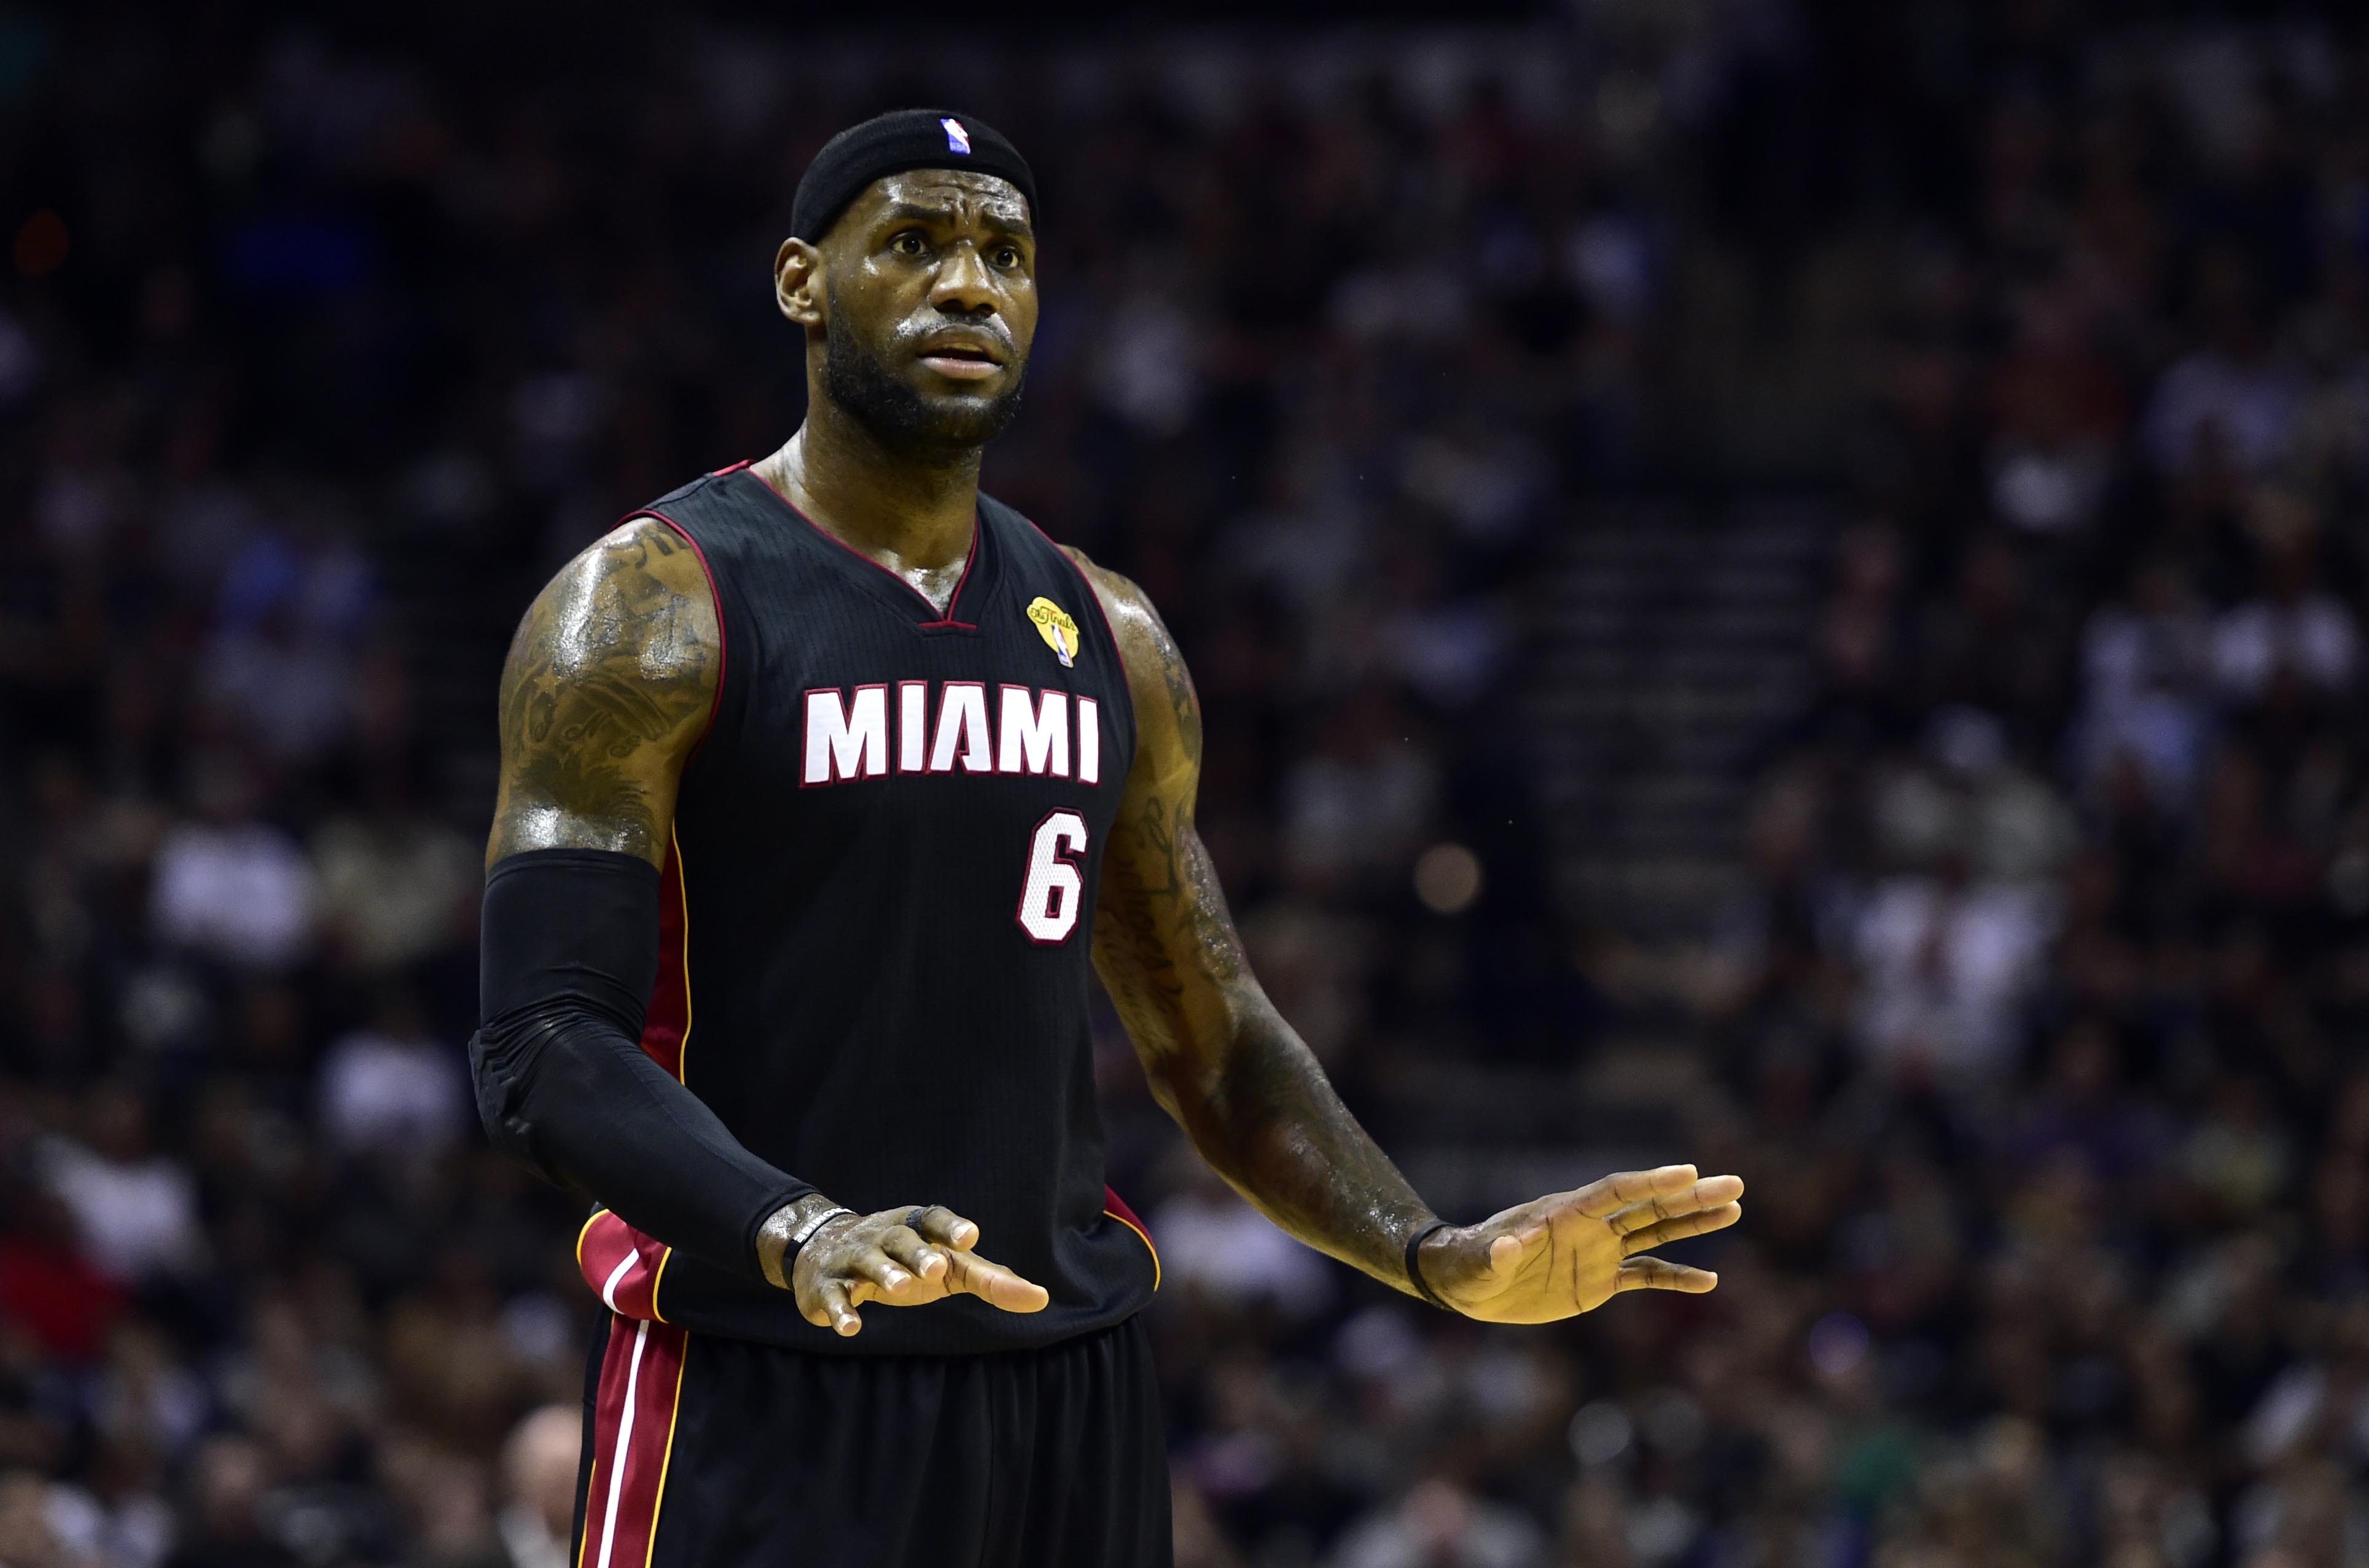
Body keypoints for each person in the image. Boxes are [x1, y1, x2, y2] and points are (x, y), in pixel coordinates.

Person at [467, 108, 1744, 1568]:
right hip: (762, 1364)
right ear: (801, 284)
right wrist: (796, 1221)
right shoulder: (648, 607)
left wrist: (1425, 1249)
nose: (969, 286)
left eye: (1005, 253)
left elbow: (1213, 1039)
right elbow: (543, 1045)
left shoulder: (1111, 632)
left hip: (1065, 1382)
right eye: (916, 244)